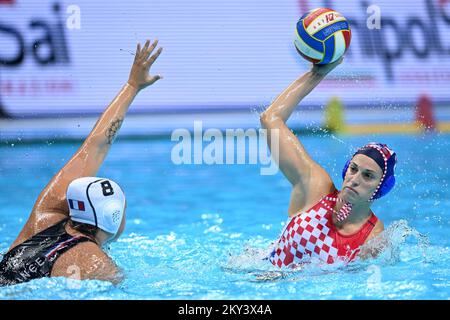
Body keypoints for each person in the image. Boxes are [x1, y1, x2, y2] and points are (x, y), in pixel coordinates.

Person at [0, 39, 163, 286]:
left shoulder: (45, 217)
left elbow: (93, 148)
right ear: (114, 216)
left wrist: (132, 86)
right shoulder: (98, 265)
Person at [260, 58, 396, 268]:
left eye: (368, 176)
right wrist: (317, 74)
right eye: (353, 169)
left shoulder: (373, 239)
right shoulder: (316, 188)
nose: (355, 179)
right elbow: (271, 119)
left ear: (382, 187)